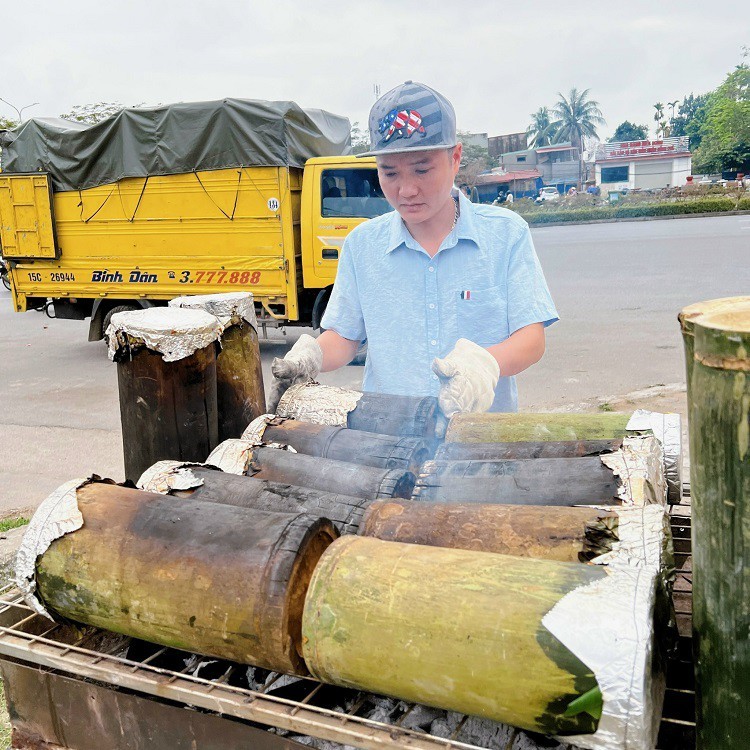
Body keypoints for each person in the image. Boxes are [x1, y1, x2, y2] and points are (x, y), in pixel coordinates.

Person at [268, 80, 558, 417]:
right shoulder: (362, 247)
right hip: (388, 435)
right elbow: (344, 338)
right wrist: (312, 355)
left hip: (480, 437)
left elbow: (531, 339)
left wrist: (486, 364)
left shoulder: (506, 235)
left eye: (422, 169)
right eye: (389, 172)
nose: (406, 190)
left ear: (455, 157)